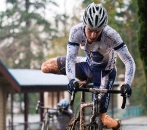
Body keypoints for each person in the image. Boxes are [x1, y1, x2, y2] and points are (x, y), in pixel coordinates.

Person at [41, 2, 136, 130]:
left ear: (103, 28)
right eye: (90, 30)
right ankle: (83, 80)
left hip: (105, 72)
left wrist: (127, 83)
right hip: (87, 65)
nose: (92, 35)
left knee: (101, 119)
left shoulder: (112, 35)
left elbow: (129, 61)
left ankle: (117, 125)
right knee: (45, 66)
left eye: (97, 31)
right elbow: (71, 58)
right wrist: (72, 80)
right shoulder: (76, 31)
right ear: (84, 24)